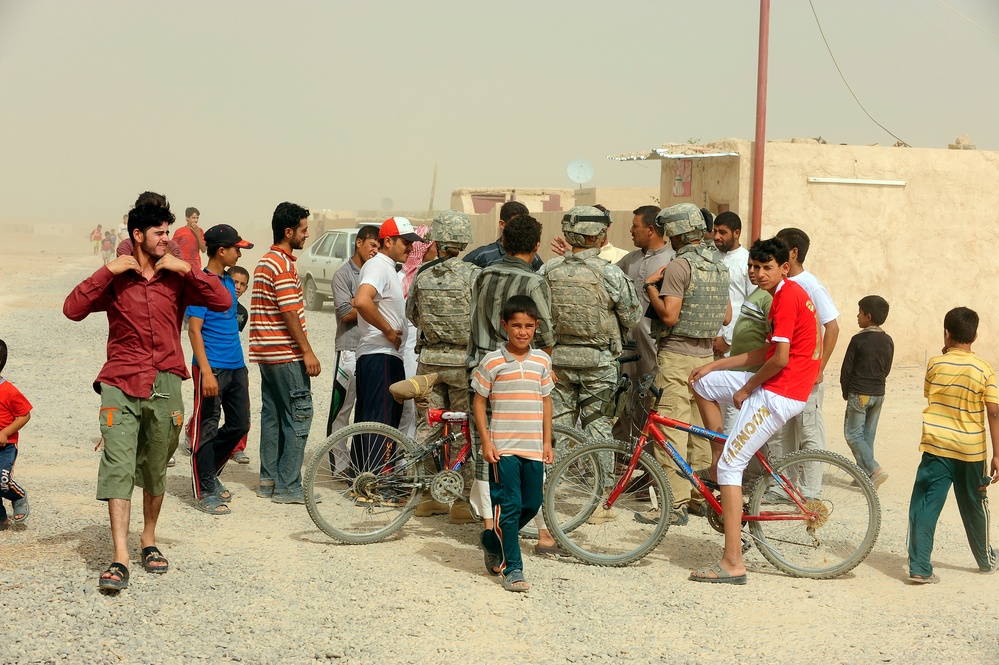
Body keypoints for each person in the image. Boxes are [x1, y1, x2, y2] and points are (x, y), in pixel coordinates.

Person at [63, 194, 232, 591]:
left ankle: (148, 540)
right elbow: (72, 309)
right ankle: (120, 555)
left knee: (156, 464)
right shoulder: (116, 277)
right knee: (119, 464)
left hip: (165, 381)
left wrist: (187, 268)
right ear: (138, 235)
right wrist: (107, 270)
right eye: (160, 233)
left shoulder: (177, 276)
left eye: (169, 232)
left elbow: (222, 301)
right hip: (120, 381)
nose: (167, 239)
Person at [687, 237, 822, 584]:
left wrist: (746, 389)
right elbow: (765, 352)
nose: (757, 273)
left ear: (784, 268)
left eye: (765, 267)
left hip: (780, 392)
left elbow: (778, 359)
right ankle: (719, 457)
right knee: (701, 384)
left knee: (735, 466)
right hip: (774, 383)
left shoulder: (788, 297)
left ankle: (733, 562)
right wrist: (716, 367)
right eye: (753, 267)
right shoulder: (779, 295)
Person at [466, 215, 562, 555]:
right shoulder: (535, 282)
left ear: (503, 242)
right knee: (530, 449)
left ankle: (490, 525)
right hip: (518, 373)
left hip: (482, 368)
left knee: (489, 448)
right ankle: (541, 530)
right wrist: (541, 366)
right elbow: (546, 335)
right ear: (537, 246)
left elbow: (473, 321)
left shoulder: (482, 276)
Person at [544, 206, 641, 521]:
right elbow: (632, 316)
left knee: (556, 428)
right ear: (596, 235)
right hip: (599, 364)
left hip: (557, 361)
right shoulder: (610, 272)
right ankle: (600, 502)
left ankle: (548, 496)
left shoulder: (548, 270)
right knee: (599, 428)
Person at [639, 203, 730, 525]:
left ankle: (673, 503)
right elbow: (727, 316)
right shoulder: (718, 266)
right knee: (698, 432)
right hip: (706, 359)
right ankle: (697, 498)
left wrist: (651, 287)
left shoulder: (679, 267)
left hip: (677, 357)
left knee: (668, 432)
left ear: (675, 233)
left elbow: (670, 315)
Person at [907, 306, 998, 583]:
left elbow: (929, 394)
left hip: (937, 447)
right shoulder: (984, 369)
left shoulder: (935, 363)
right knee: (974, 504)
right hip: (972, 451)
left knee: (925, 504)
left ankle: (920, 567)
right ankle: (985, 560)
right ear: (976, 335)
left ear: (946, 333)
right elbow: (993, 411)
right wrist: (997, 454)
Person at [473, 295, 554, 592]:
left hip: (533, 446)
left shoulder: (542, 361)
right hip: (503, 447)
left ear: (536, 327)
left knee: (531, 504)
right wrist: (486, 440)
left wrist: (548, 441)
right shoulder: (492, 361)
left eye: (529, 326)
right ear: (505, 326)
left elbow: (547, 402)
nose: (523, 332)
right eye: (517, 326)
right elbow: (479, 402)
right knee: (509, 506)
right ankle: (514, 569)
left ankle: (491, 540)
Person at [405, 211, 480, 522]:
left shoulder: (422, 276)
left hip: (431, 362)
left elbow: (413, 315)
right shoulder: (475, 275)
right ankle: (462, 502)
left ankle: (426, 495)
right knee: (466, 430)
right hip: (463, 364)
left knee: (428, 428)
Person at [249, 202, 321, 503]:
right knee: (299, 417)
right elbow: (290, 312)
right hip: (286, 355)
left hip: (268, 356)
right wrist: (307, 352)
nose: (306, 235)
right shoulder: (282, 265)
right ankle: (289, 486)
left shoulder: (265, 261)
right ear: (288, 232)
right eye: (303, 230)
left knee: (274, 417)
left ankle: (269, 480)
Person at [186, 225, 255, 515]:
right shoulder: (200, 283)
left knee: (241, 424)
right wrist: (207, 371)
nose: (240, 253)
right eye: (236, 248)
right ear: (221, 251)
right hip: (211, 366)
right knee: (207, 427)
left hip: (235, 366)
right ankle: (203, 490)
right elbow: (193, 330)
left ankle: (209, 470)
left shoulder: (228, 281)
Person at [769, 227, 840, 499]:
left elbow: (831, 327)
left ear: (793, 253)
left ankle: (811, 492)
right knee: (783, 431)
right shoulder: (783, 285)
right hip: (786, 373)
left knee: (809, 431)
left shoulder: (810, 284)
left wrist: (819, 367)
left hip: (806, 375)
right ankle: (782, 488)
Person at [351, 217, 422, 471]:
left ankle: (363, 478)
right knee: (379, 422)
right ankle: (374, 483)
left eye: (413, 243)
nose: (410, 248)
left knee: (373, 419)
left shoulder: (388, 267)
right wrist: (389, 331)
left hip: (383, 355)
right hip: (380, 353)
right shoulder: (378, 266)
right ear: (388, 241)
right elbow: (361, 301)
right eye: (406, 242)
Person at [325, 225, 380, 458]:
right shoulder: (343, 275)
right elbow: (346, 313)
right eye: (372, 245)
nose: (375, 250)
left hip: (373, 350)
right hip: (348, 350)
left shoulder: (376, 272)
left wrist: (360, 303)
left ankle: (360, 462)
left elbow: (353, 306)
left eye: (379, 246)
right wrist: (373, 307)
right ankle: (337, 465)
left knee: (368, 410)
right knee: (341, 410)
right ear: (359, 243)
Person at [840, 295, 894, 487]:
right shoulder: (888, 340)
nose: (857, 316)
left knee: (853, 435)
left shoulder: (858, 340)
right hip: (878, 394)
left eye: (860, 312)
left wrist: (847, 391)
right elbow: (886, 368)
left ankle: (874, 469)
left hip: (860, 393)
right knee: (867, 436)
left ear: (868, 316)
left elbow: (847, 369)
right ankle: (864, 477)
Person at [712, 212, 755, 359]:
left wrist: (728, 339)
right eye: (715, 231)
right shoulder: (709, 258)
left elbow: (752, 304)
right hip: (707, 341)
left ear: (736, 233)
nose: (717, 236)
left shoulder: (747, 262)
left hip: (734, 343)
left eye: (723, 232)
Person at [0, 339, 32, 528]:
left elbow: (24, 414)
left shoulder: (9, 391)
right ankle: (1, 519)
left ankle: (18, 496)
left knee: (2, 481)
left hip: (5, 447)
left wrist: (5, 432)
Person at [464, 201, 543, 270]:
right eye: (515, 223)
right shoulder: (483, 256)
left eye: (524, 223)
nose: (521, 227)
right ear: (502, 224)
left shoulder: (532, 257)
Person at [228, 264, 252, 465]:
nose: (238, 287)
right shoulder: (211, 303)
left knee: (242, 408)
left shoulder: (242, 312)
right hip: (213, 362)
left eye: (243, 284)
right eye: (234, 281)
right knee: (209, 408)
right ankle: (192, 435)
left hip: (236, 362)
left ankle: (237, 448)